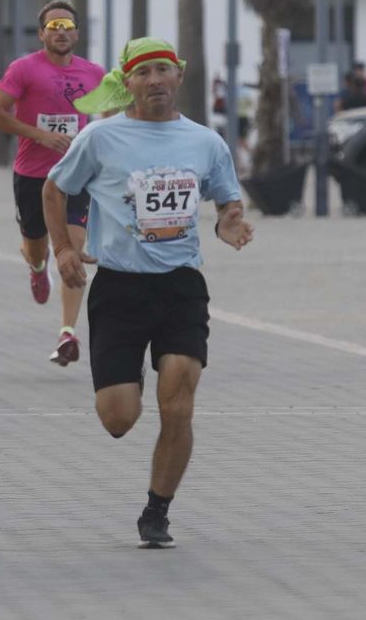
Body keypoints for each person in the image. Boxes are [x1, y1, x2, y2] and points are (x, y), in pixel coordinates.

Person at [44, 37, 253, 549]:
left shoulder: (206, 142)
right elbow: (54, 188)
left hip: (182, 285)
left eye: (164, 70)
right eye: (144, 73)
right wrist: (64, 251)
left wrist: (229, 223)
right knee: (119, 418)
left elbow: (228, 199)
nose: (155, 79)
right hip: (118, 286)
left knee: (178, 403)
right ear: (128, 83)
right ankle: (130, 372)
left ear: (178, 77)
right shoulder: (101, 138)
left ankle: (157, 510)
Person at [0, 0, 105, 366]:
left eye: (67, 25)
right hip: (33, 176)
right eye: (54, 27)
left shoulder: (94, 74)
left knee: (71, 248)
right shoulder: (24, 69)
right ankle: (37, 270)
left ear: (78, 33)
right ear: (41, 35)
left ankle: (67, 333)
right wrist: (38, 134)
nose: (61, 32)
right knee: (37, 249)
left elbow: (113, 115)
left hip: (76, 175)